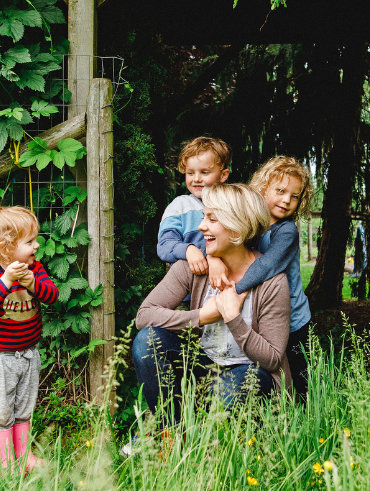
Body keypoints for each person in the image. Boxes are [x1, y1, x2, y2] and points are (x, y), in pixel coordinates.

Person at [133, 184, 292, 430]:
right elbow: (144, 316)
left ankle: (209, 442)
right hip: (204, 367)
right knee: (148, 339)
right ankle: (171, 434)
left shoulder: (273, 282)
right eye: (203, 217)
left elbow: (271, 360)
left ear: (238, 228)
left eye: (211, 219)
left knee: (239, 383)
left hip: (249, 373)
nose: (200, 226)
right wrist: (202, 316)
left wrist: (232, 318)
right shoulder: (193, 267)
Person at [208, 156, 314, 402]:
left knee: (299, 381)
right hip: (264, 316)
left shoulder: (286, 231)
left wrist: (236, 291)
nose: (287, 200)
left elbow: (267, 265)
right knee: (263, 370)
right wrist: (212, 258)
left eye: (295, 196)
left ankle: (301, 423)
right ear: (263, 188)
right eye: (280, 191)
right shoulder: (250, 225)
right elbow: (224, 242)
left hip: (295, 321)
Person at [0, 206, 59, 473]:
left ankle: (24, 457)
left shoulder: (36, 269)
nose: (36, 245)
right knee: (1, 413)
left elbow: (52, 295)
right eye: (29, 241)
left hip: (28, 353)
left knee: (24, 409)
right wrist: (7, 281)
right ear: (6, 247)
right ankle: (6, 464)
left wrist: (33, 283)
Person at [155, 136, 232, 274]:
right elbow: (164, 245)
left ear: (223, 175)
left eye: (204, 172)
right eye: (190, 173)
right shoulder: (180, 206)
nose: (196, 179)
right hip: (187, 288)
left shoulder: (232, 205)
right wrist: (188, 250)